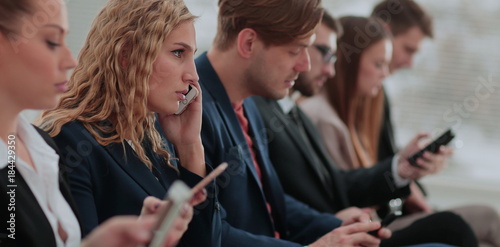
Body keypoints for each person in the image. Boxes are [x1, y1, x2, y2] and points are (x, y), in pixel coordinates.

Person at [196, 0, 455, 246]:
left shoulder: (249, 101)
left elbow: (268, 200)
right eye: (296, 51)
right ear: (249, 43)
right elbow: (204, 233)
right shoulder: (193, 111)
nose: (305, 65)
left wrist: (333, 225)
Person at [253, 12, 478, 247]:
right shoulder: (271, 111)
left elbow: (337, 183)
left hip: (342, 225)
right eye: (323, 52)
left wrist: (401, 168)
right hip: (328, 233)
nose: (330, 70)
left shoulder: (294, 112)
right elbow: (270, 202)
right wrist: (332, 222)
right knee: (452, 227)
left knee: (452, 228)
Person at [0, 0, 194, 246]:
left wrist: (190, 145)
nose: (71, 60)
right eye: (52, 41)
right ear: (127, 55)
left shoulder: (39, 146)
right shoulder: (65, 139)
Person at [371, 1, 500, 246]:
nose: (410, 63)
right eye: (408, 49)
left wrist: (412, 172)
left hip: (397, 209)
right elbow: (358, 179)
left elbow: (379, 162)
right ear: (384, 32)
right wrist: (406, 185)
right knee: (489, 218)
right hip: (380, 219)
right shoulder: (349, 100)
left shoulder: (379, 97)